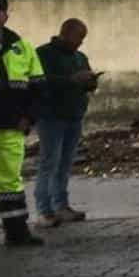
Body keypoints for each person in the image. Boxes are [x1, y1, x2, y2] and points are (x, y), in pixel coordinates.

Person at [0, 0, 45, 246]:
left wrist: (28, 117)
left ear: (5, 15)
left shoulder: (23, 47)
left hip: (12, 129)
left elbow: (38, 89)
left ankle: (16, 233)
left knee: (10, 183)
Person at [35, 19, 96, 227]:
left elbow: (86, 82)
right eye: (79, 37)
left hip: (74, 115)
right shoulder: (43, 54)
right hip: (51, 116)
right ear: (65, 33)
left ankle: (61, 205)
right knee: (49, 163)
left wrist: (90, 81)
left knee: (64, 164)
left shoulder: (80, 57)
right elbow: (39, 81)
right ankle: (44, 210)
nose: (80, 43)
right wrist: (71, 80)